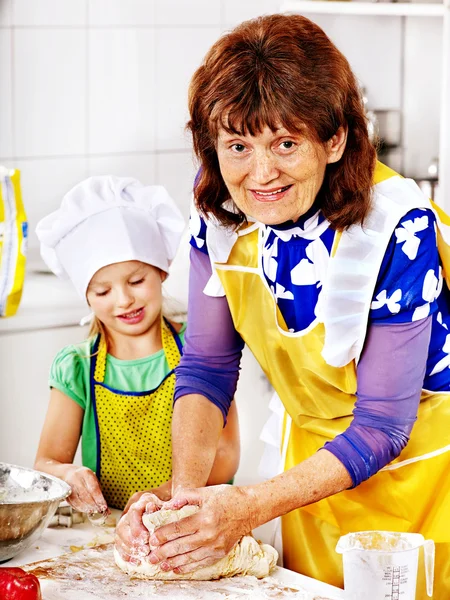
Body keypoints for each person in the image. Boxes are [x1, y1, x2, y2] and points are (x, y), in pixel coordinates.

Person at [115, 14, 450, 596]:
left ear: (335, 138)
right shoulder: (223, 215)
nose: (260, 174)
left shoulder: (396, 227)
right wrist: (184, 501)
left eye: (287, 143)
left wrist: (245, 507)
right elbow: (207, 368)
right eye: (237, 146)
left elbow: (381, 426)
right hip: (312, 488)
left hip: (422, 495)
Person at [34, 176, 240, 514]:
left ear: (161, 271)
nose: (124, 300)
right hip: (111, 534)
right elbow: (46, 462)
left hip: (196, 521)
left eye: (136, 280)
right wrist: (66, 474)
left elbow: (226, 455)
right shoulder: (77, 366)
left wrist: (166, 494)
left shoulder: (200, 349)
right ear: (85, 295)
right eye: (102, 291)